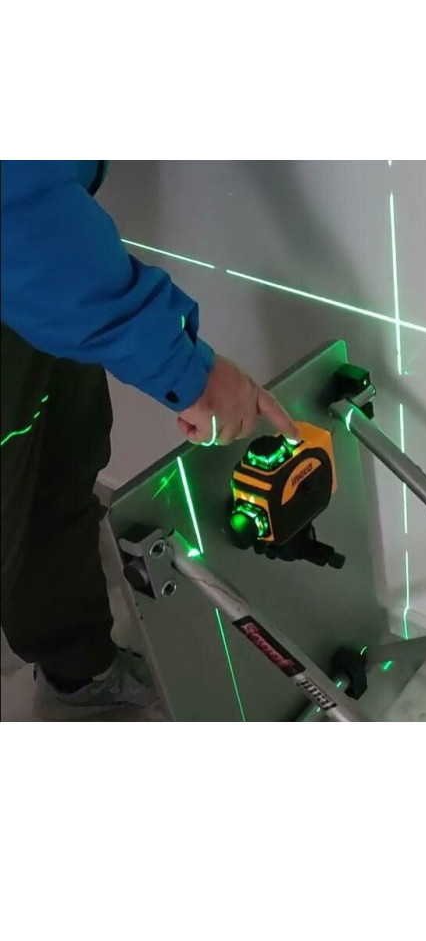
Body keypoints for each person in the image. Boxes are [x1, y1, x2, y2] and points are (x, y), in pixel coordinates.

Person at [0, 160, 296, 717]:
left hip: (42, 285)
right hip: (28, 255)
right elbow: (13, 206)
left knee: (58, 473)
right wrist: (185, 369)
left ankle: (78, 673)